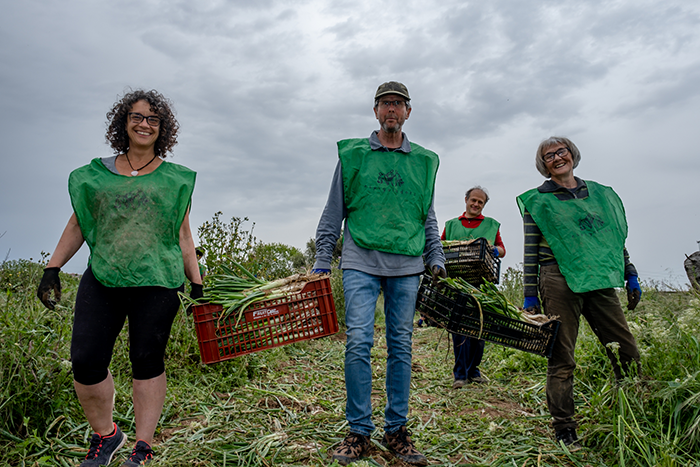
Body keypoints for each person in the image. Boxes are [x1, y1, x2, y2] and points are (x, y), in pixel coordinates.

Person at [37, 89, 203, 467]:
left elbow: (183, 236)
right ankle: (107, 436)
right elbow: (79, 223)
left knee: (147, 360)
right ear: (123, 122)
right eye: (137, 117)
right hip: (104, 276)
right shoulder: (95, 175)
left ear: (163, 129)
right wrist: (52, 268)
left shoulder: (175, 179)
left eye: (153, 119)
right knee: (85, 359)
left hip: (158, 281)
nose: (144, 124)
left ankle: (141, 448)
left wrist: (197, 285)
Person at [313, 81, 445, 466]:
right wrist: (323, 255)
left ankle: (397, 430)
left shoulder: (422, 161)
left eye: (398, 104)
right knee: (358, 342)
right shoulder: (354, 155)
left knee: (400, 346)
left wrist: (434, 254)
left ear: (407, 112)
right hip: (360, 260)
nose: (392, 110)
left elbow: (426, 214)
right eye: (385, 103)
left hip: (406, 265)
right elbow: (334, 208)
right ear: (375, 111)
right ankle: (358, 431)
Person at [516, 136, 642, 451]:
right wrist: (530, 293)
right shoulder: (538, 201)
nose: (557, 157)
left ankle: (635, 409)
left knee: (625, 349)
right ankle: (564, 429)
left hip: (598, 277)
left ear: (572, 154)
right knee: (562, 358)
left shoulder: (600, 195)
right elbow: (530, 250)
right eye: (549, 156)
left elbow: (610, 239)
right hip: (558, 279)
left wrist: (630, 272)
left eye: (561, 151)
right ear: (543, 165)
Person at [441, 186, 505, 388]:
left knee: (479, 331)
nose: (476, 205)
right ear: (466, 200)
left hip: (481, 285)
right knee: (459, 330)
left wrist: (494, 250)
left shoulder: (491, 225)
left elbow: (502, 250)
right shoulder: (452, 225)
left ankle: (474, 371)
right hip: (457, 284)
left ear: (484, 205)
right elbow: (441, 245)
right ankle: (460, 375)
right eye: (473, 200)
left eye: (481, 202)